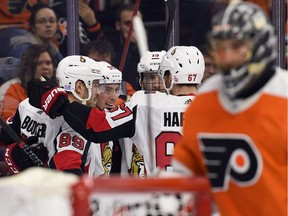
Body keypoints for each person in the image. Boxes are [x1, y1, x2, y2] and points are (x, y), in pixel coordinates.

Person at [171, 2, 287, 216]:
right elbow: (184, 173)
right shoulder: (204, 100)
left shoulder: (284, 97)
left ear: (260, 43)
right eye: (221, 48)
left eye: (236, 46)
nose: (227, 56)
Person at [27, 46, 205, 176]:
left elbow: (96, 126)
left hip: (160, 203)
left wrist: (60, 103)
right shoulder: (216, 109)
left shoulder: (146, 103)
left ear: (169, 77)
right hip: (204, 203)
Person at [120, 50, 166, 177]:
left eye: (160, 77)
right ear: (140, 80)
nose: (156, 84)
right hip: (131, 191)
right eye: (151, 77)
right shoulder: (131, 105)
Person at [0, 44, 57, 121]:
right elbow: (8, 125)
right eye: (39, 63)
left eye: (48, 63)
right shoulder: (11, 88)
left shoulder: (60, 88)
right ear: (28, 67)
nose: (45, 67)